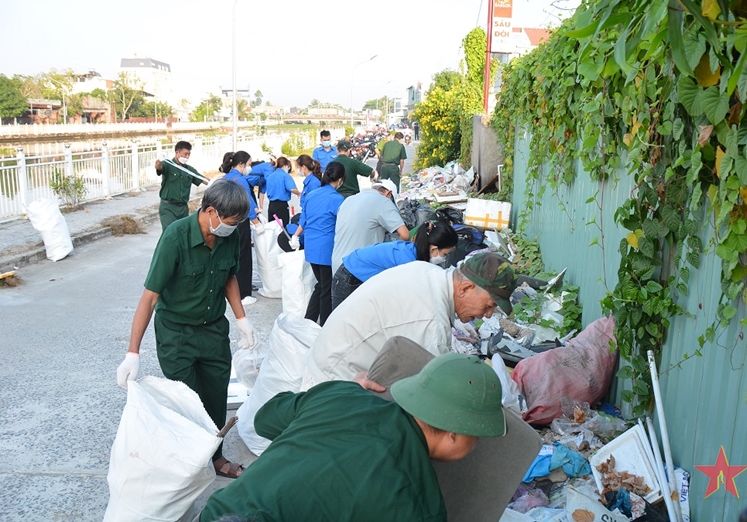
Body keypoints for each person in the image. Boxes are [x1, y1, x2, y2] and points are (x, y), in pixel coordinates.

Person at [199, 353, 506, 522]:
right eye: (477, 435)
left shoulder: (343, 393)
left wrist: (332, 396)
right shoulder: (420, 504)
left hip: (219, 512)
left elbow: (266, 418)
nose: (477, 443)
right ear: (454, 433)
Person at [115, 179, 258, 479]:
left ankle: (216, 459)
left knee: (216, 398)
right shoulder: (175, 237)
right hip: (176, 334)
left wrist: (241, 319)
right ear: (210, 212)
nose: (233, 228)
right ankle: (189, 464)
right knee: (188, 402)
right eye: (230, 222)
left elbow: (230, 277)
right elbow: (150, 297)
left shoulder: (229, 236)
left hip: (213, 332)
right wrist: (133, 352)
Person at [304, 252, 516, 387]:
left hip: (330, 356)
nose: (488, 314)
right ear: (466, 287)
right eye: (489, 305)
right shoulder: (432, 323)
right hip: (336, 378)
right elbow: (429, 392)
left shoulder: (429, 272)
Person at [332, 221, 458, 309]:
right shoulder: (408, 261)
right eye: (445, 254)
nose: (444, 259)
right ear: (434, 249)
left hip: (358, 274)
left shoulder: (414, 252)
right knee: (343, 327)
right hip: (349, 277)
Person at [288, 161, 345, 325]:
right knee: (326, 289)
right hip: (326, 249)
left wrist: (295, 237)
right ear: (340, 179)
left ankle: (309, 321)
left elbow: (303, 221)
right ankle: (324, 326)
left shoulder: (312, 195)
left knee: (321, 285)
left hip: (311, 248)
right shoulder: (338, 199)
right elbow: (342, 224)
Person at [330, 180, 410, 272]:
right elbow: (405, 235)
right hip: (356, 267)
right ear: (388, 193)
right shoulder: (383, 201)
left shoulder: (349, 200)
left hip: (337, 265)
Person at [221, 151, 262, 306]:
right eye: (249, 165)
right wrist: (257, 222)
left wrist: (257, 210)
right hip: (241, 221)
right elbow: (248, 203)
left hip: (227, 222)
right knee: (243, 256)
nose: (250, 168)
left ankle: (228, 290)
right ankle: (243, 293)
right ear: (242, 164)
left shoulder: (226, 178)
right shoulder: (242, 180)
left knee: (230, 255)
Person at [155, 141, 207, 231]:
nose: (187, 157)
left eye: (189, 154)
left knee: (183, 234)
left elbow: (204, 180)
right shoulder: (168, 164)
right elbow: (158, 167)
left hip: (183, 208)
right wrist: (159, 160)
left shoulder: (189, 170)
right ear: (177, 153)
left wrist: (222, 182)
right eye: (185, 154)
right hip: (168, 208)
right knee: (169, 233)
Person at [264, 156, 300, 227]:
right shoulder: (285, 176)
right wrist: (299, 193)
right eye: (288, 167)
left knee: (273, 229)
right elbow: (292, 189)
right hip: (281, 206)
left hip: (271, 205)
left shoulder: (270, 176)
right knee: (283, 228)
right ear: (285, 166)